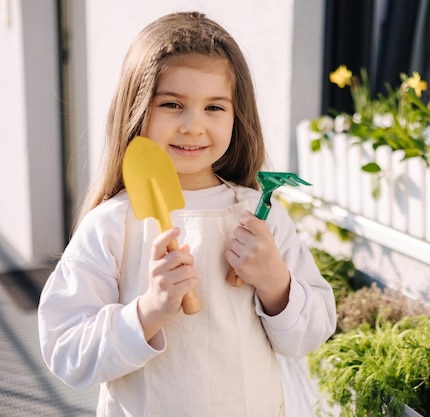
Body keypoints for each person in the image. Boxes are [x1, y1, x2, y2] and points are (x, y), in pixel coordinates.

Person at [38, 11, 336, 417]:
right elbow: (65, 349)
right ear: (138, 109)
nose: (194, 125)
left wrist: (275, 283)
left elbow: (311, 334)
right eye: (173, 104)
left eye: (214, 107)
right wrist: (148, 311)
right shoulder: (113, 224)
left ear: (237, 116)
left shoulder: (259, 217)